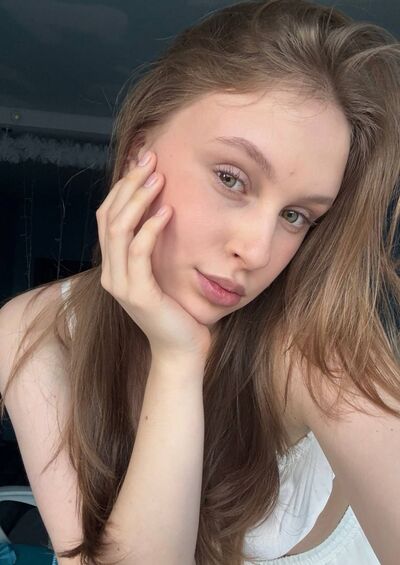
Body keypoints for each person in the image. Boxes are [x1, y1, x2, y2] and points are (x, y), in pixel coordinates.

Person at [0, 0, 399, 563]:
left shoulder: (314, 349)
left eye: (296, 215)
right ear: (139, 155)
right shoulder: (34, 330)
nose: (257, 251)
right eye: (231, 178)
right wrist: (177, 360)